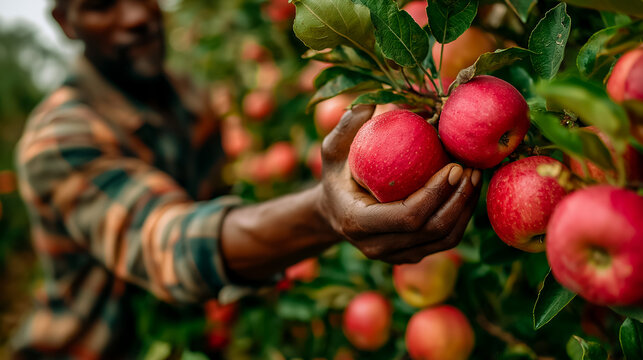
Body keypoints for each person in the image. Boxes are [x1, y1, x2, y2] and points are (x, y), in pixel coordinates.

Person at [11, 0, 481, 358]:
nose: (135, 16)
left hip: (199, 328)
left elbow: (216, 199)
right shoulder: (57, 138)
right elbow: (165, 242)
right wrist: (323, 211)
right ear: (66, 25)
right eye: (100, 5)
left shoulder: (188, 97)